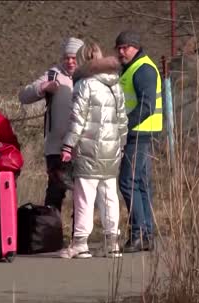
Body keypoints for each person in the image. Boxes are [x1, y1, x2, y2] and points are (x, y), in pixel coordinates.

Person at [55, 43, 128, 259]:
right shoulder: (116, 85)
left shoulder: (84, 85)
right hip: (112, 149)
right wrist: (120, 145)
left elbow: (77, 119)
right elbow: (123, 120)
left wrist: (68, 145)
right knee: (109, 196)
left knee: (84, 196)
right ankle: (112, 243)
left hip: (88, 149)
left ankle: (80, 243)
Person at [18, 37, 84, 211]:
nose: (70, 61)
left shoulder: (88, 76)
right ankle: (50, 232)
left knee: (82, 195)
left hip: (82, 146)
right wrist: (43, 87)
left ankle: (78, 236)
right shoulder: (53, 74)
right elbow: (23, 96)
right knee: (55, 192)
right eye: (66, 57)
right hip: (56, 147)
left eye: (74, 58)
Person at [114, 31, 163, 253]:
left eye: (126, 47)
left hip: (139, 134)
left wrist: (124, 125)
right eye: (119, 48)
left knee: (128, 182)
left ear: (136, 46)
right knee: (141, 184)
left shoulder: (143, 69)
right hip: (139, 134)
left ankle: (138, 234)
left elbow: (146, 106)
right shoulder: (133, 67)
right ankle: (146, 234)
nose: (121, 51)